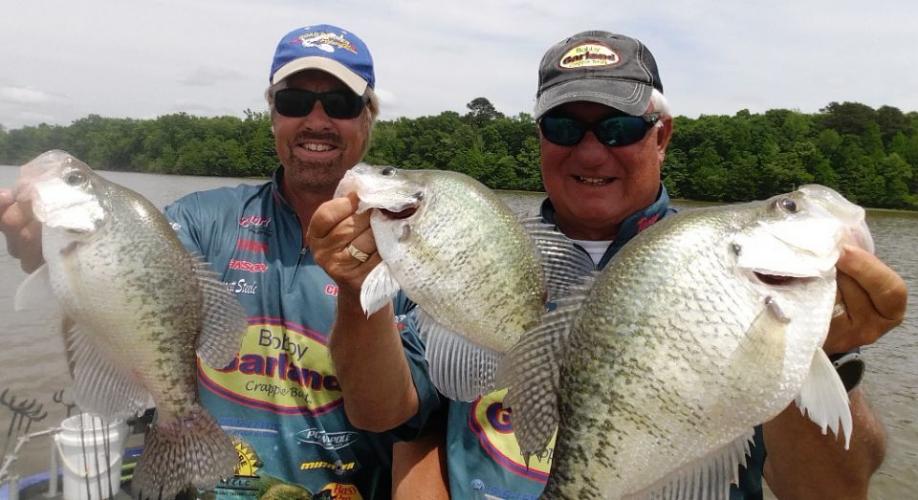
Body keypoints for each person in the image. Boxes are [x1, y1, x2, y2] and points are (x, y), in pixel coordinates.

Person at [315, 30, 908, 499]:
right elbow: (394, 419)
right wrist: (354, 288)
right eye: (565, 126)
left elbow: (829, 493)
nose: (592, 150)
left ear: (662, 136)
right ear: (540, 138)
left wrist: (825, 353)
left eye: (620, 127)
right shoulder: (468, 257)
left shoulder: (717, 275)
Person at [0, 24, 441, 499]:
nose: (317, 120)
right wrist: (50, 257)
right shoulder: (200, 220)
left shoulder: (414, 249)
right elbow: (127, 291)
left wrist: (358, 291)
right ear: (272, 114)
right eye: (294, 102)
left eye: (341, 104)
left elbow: (398, 417)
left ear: (367, 119)